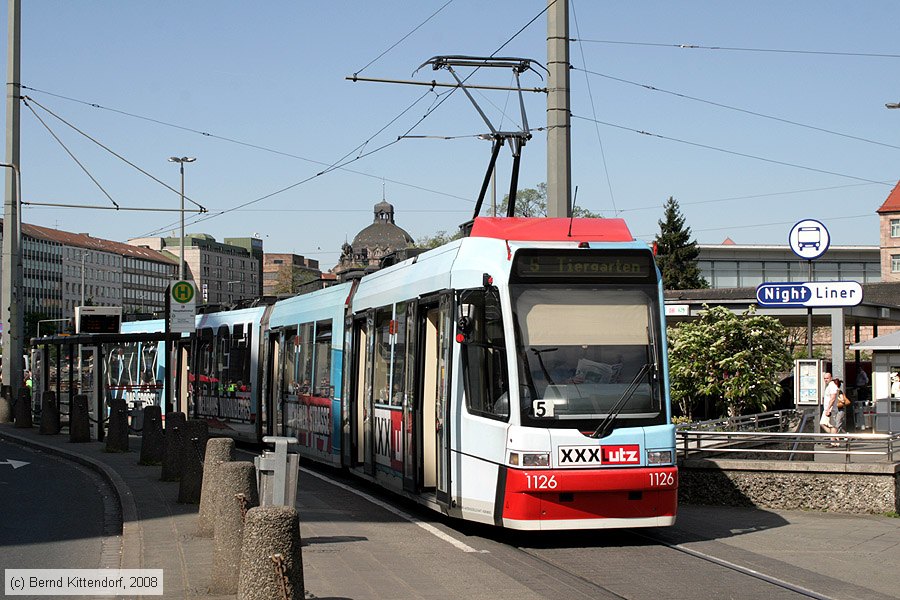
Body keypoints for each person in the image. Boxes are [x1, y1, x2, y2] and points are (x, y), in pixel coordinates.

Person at [819, 372, 838, 437]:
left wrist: (828, 409)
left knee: (832, 425)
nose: (826, 380)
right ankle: (835, 438)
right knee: (822, 423)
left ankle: (834, 441)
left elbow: (833, 398)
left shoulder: (832, 386)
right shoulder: (828, 386)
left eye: (827, 378)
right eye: (824, 378)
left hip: (831, 409)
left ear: (831, 378)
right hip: (827, 409)